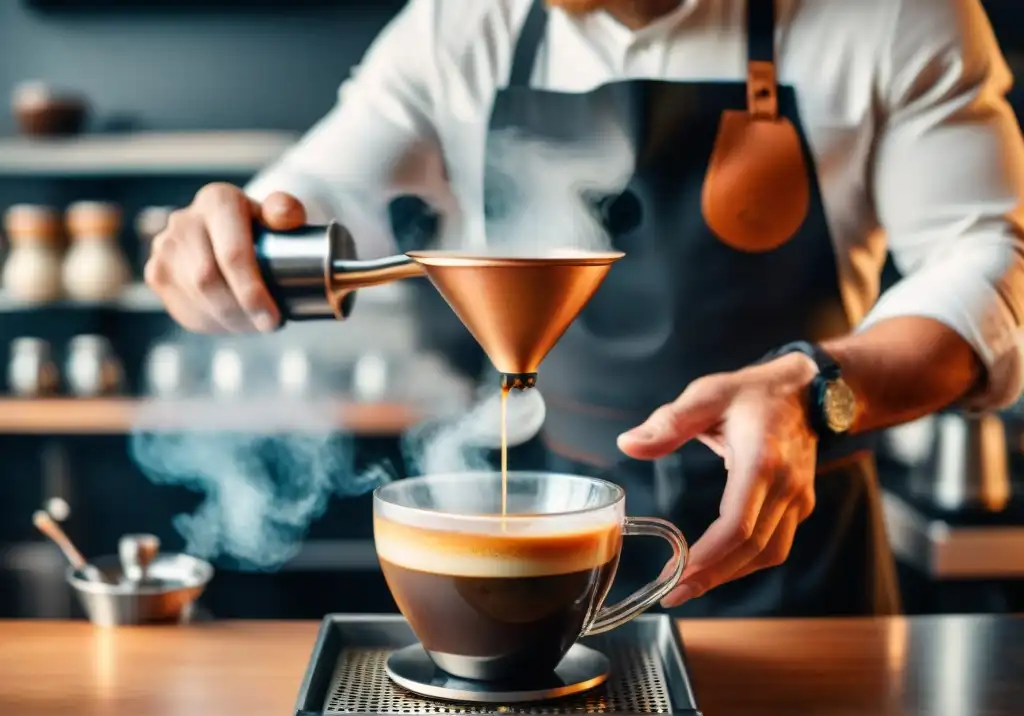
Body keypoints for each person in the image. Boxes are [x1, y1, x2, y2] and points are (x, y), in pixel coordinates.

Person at [145, 0, 1024, 618]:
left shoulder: (897, 12)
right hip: (552, 551)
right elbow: (322, 188)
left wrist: (811, 390)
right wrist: (231, 244)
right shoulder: (464, 21)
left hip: (798, 555)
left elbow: (988, 260)